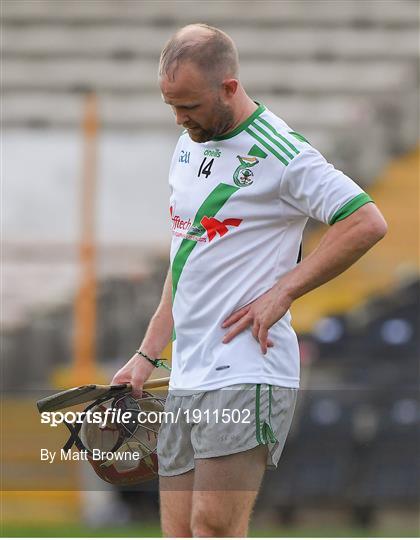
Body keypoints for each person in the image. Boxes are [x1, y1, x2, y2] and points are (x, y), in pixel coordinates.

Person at [111, 23, 387, 537]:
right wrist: (147, 354)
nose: (180, 118)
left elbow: (365, 221)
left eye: (190, 105)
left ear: (230, 88)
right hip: (190, 372)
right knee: (181, 533)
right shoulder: (188, 144)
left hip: (247, 366)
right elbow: (184, 258)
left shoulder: (283, 152)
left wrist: (283, 291)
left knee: (214, 528)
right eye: (172, 106)